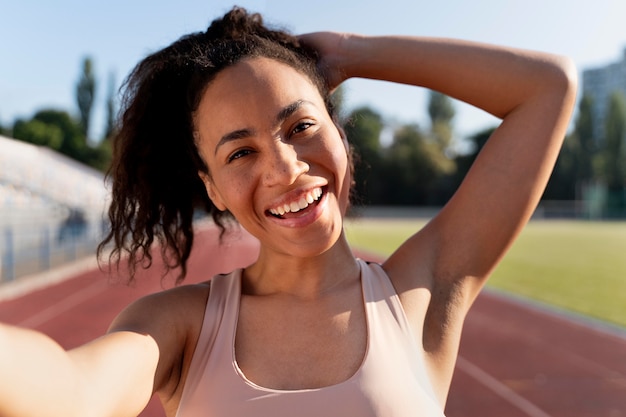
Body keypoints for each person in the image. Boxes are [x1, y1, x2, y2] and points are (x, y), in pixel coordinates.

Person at [0, 6, 576, 417]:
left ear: (341, 135)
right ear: (214, 189)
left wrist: (353, 53)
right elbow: (72, 394)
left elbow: (548, 86)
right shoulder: (178, 326)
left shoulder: (419, 294)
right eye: (241, 152)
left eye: (300, 126)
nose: (284, 168)